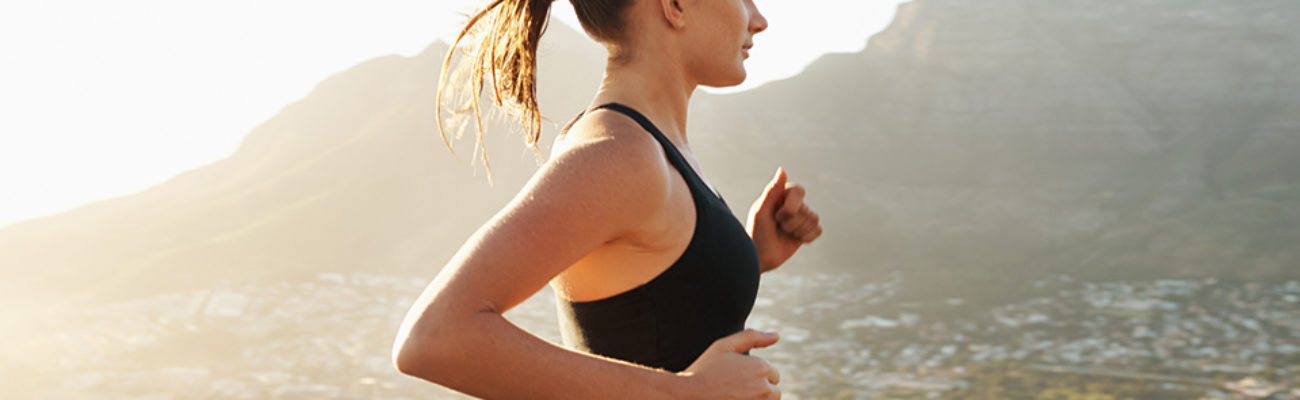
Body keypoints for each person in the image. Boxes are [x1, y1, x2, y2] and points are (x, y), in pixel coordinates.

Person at [392, 0, 822, 398]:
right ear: (674, 5)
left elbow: (648, 309)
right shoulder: (619, 155)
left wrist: (746, 254)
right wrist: (683, 394)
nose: (758, 19)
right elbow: (433, 337)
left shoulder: (647, 146)